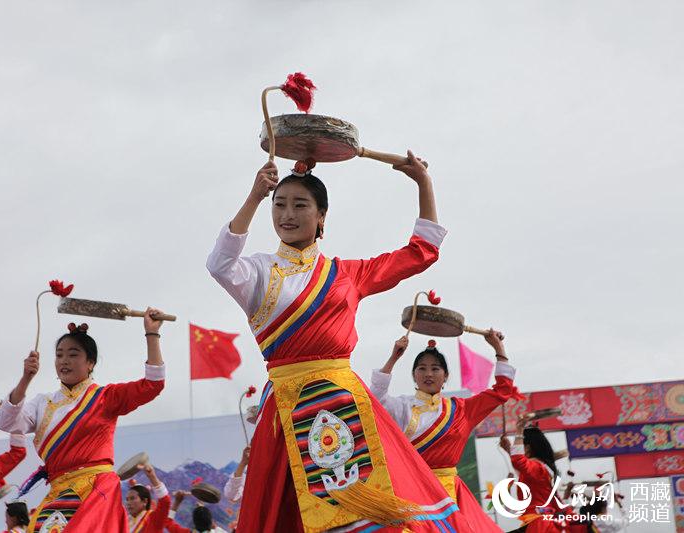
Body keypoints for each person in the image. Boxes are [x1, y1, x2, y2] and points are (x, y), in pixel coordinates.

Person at [206, 154, 466, 532]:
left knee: (373, 515)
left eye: (300, 205)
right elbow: (219, 265)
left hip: (345, 404)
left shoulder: (346, 274)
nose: (287, 214)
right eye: (279, 205)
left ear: (321, 216)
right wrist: (254, 197)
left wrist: (423, 183)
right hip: (287, 408)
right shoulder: (258, 271)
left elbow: (420, 253)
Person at [0, 309, 167, 532]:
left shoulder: (106, 397)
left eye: (73, 354)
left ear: (90, 363)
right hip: (59, 490)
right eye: (59, 355)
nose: (64, 361)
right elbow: (7, 423)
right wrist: (25, 379)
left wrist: (151, 334)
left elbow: (152, 385)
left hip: (96, 489)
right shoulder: (42, 403)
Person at [370, 331, 519, 531]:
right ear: (414, 375)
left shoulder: (462, 410)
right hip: (410, 489)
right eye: (422, 369)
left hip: (448, 494)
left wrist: (498, 348)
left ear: (445, 376)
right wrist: (394, 357)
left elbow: (502, 390)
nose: (428, 374)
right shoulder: (402, 406)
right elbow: (374, 400)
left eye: (435, 368)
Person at [500, 421, 564, 532]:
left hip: (540, 525)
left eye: (520, 444)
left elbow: (518, 460)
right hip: (541, 523)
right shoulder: (540, 469)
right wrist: (509, 450)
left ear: (528, 448)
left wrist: (519, 430)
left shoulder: (538, 468)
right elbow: (518, 461)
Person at [124, 463, 171, 533]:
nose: (129, 503)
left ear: (145, 501)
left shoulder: (154, 519)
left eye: (132, 498)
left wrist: (152, 476)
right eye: (127, 499)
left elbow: (165, 501)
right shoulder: (124, 523)